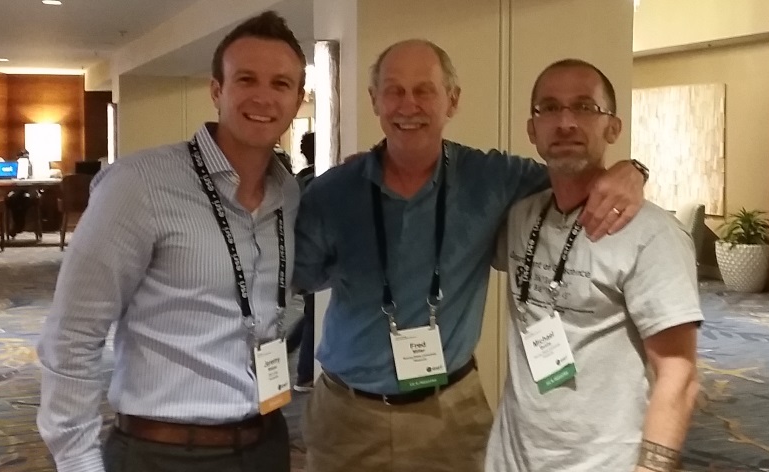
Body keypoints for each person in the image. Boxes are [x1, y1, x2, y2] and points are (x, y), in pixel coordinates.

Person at [294, 39, 647, 472]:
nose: (408, 105)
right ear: (374, 100)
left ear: (453, 100)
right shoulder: (333, 192)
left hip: (450, 418)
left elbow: (572, 174)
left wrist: (632, 170)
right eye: (394, 90)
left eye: (424, 90)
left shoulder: (492, 178)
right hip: (346, 418)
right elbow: (298, 277)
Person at [36, 11, 304, 472]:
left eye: (281, 84)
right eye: (246, 79)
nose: (263, 96)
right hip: (165, 453)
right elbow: (72, 334)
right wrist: (77, 460)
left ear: (297, 99)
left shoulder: (288, 194)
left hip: (266, 443)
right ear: (217, 90)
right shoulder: (139, 185)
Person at [485, 59, 702, 472]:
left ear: (613, 128)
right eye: (549, 108)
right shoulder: (520, 217)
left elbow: (679, 373)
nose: (565, 122)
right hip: (511, 457)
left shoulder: (652, 234)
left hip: (604, 462)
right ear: (532, 130)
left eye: (585, 107)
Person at [288, 131, 316, 392]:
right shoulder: (321, 181)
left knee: (310, 312)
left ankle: (288, 346)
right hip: (316, 258)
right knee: (313, 314)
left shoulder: (296, 182)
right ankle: (305, 375)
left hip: (300, 254)